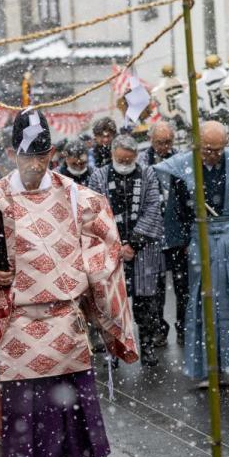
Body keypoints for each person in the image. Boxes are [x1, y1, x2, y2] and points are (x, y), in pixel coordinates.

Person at [0, 108, 138, 457]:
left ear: (51, 154)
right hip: (20, 314)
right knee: (22, 397)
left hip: (63, 311)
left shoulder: (75, 196)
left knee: (66, 393)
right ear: (13, 154)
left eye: (41, 156)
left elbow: (104, 241)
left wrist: (92, 269)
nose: (34, 164)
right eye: (27, 156)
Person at [156, 120, 229, 389]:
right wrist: (183, 243)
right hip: (199, 238)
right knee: (203, 301)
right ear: (197, 144)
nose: (213, 155)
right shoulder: (183, 169)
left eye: (218, 149)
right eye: (207, 149)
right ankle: (206, 368)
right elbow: (175, 211)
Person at [89, 133, 163, 367]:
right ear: (112, 154)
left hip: (143, 251)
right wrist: (116, 245)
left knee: (146, 302)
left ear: (136, 156)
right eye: (120, 160)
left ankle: (147, 347)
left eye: (129, 160)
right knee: (111, 304)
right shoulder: (99, 176)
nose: (124, 164)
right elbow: (94, 212)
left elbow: (153, 208)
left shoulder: (147, 173)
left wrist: (134, 243)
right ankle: (113, 351)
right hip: (110, 251)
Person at [139, 119, 189, 346]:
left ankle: (184, 326)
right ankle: (159, 328)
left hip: (177, 231)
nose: (164, 146)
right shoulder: (142, 163)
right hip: (153, 235)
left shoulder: (181, 160)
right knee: (155, 288)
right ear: (151, 140)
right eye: (160, 142)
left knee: (183, 286)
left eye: (168, 141)